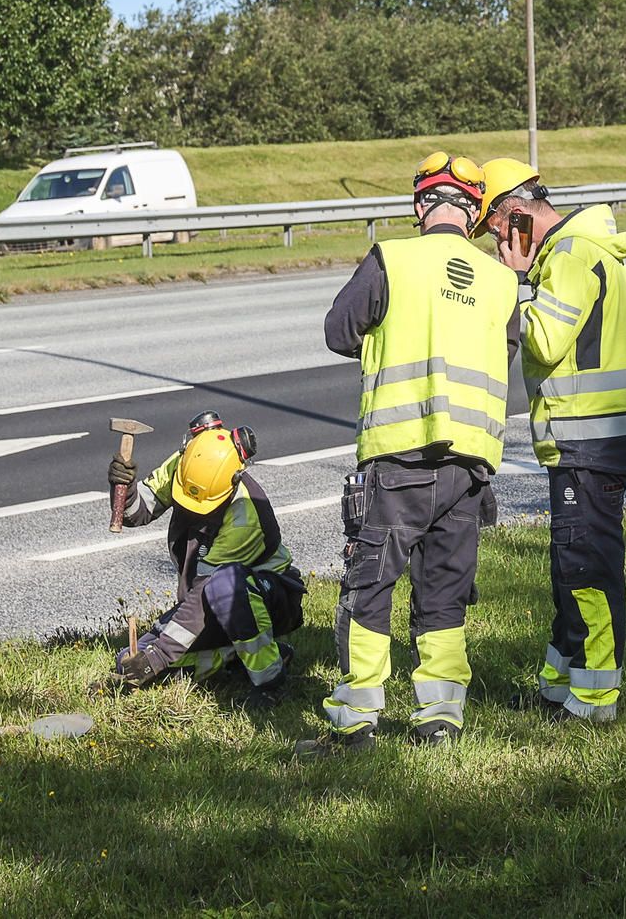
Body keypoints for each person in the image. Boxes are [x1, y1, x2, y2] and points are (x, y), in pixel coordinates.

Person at [295, 152, 520, 757]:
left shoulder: (391, 259)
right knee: (444, 593)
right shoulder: (501, 279)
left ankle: (356, 724)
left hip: (400, 459)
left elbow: (338, 331)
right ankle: (440, 720)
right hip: (471, 466)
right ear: (474, 212)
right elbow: (507, 352)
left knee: (370, 588)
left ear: (421, 205)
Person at [475, 158, 626, 723]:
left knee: (586, 570)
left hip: (586, 441)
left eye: (497, 230)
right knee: (571, 565)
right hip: (589, 438)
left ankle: (594, 701)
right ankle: (557, 687)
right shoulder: (576, 252)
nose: (497, 243)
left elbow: (545, 341)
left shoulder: (570, 257)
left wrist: (511, 282)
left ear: (517, 214)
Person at [95, 410, 305, 704]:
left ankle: (269, 677)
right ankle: (233, 657)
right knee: (128, 659)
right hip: (207, 598)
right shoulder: (187, 465)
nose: (192, 511)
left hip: (266, 599)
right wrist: (125, 487)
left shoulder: (245, 516)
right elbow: (136, 513)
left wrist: (158, 658)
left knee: (221, 588)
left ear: (231, 483)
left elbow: (205, 594)